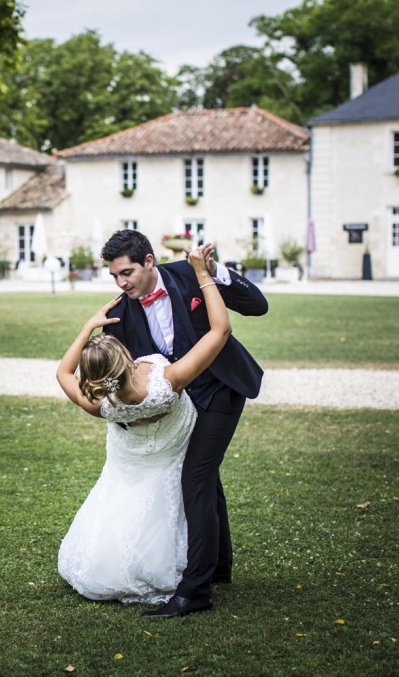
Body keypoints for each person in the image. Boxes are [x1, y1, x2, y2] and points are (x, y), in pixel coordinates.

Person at [100, 228, 267, 619]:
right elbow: (119, 376)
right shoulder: (119, 314)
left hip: (222, 389)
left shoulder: (192, 275)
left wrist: (216, 273)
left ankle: (195, 591)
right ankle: (220, 565)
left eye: (127, 273)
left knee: (194, 479)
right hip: (183, 405)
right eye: (114, 277)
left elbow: (258, 307)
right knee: (207, 479)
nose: (122, 284)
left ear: (148, 261)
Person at [55, 246, 231, 604]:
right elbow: (220, 330)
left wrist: (86, 327)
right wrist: (203, 275)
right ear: (125, 358)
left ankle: (116, 563)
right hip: (172, 447)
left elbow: (62, 372)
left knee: (127, 499)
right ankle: (199, 567)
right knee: (188, 489)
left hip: (132, 455)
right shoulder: (169, 379)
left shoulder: (98, 404)